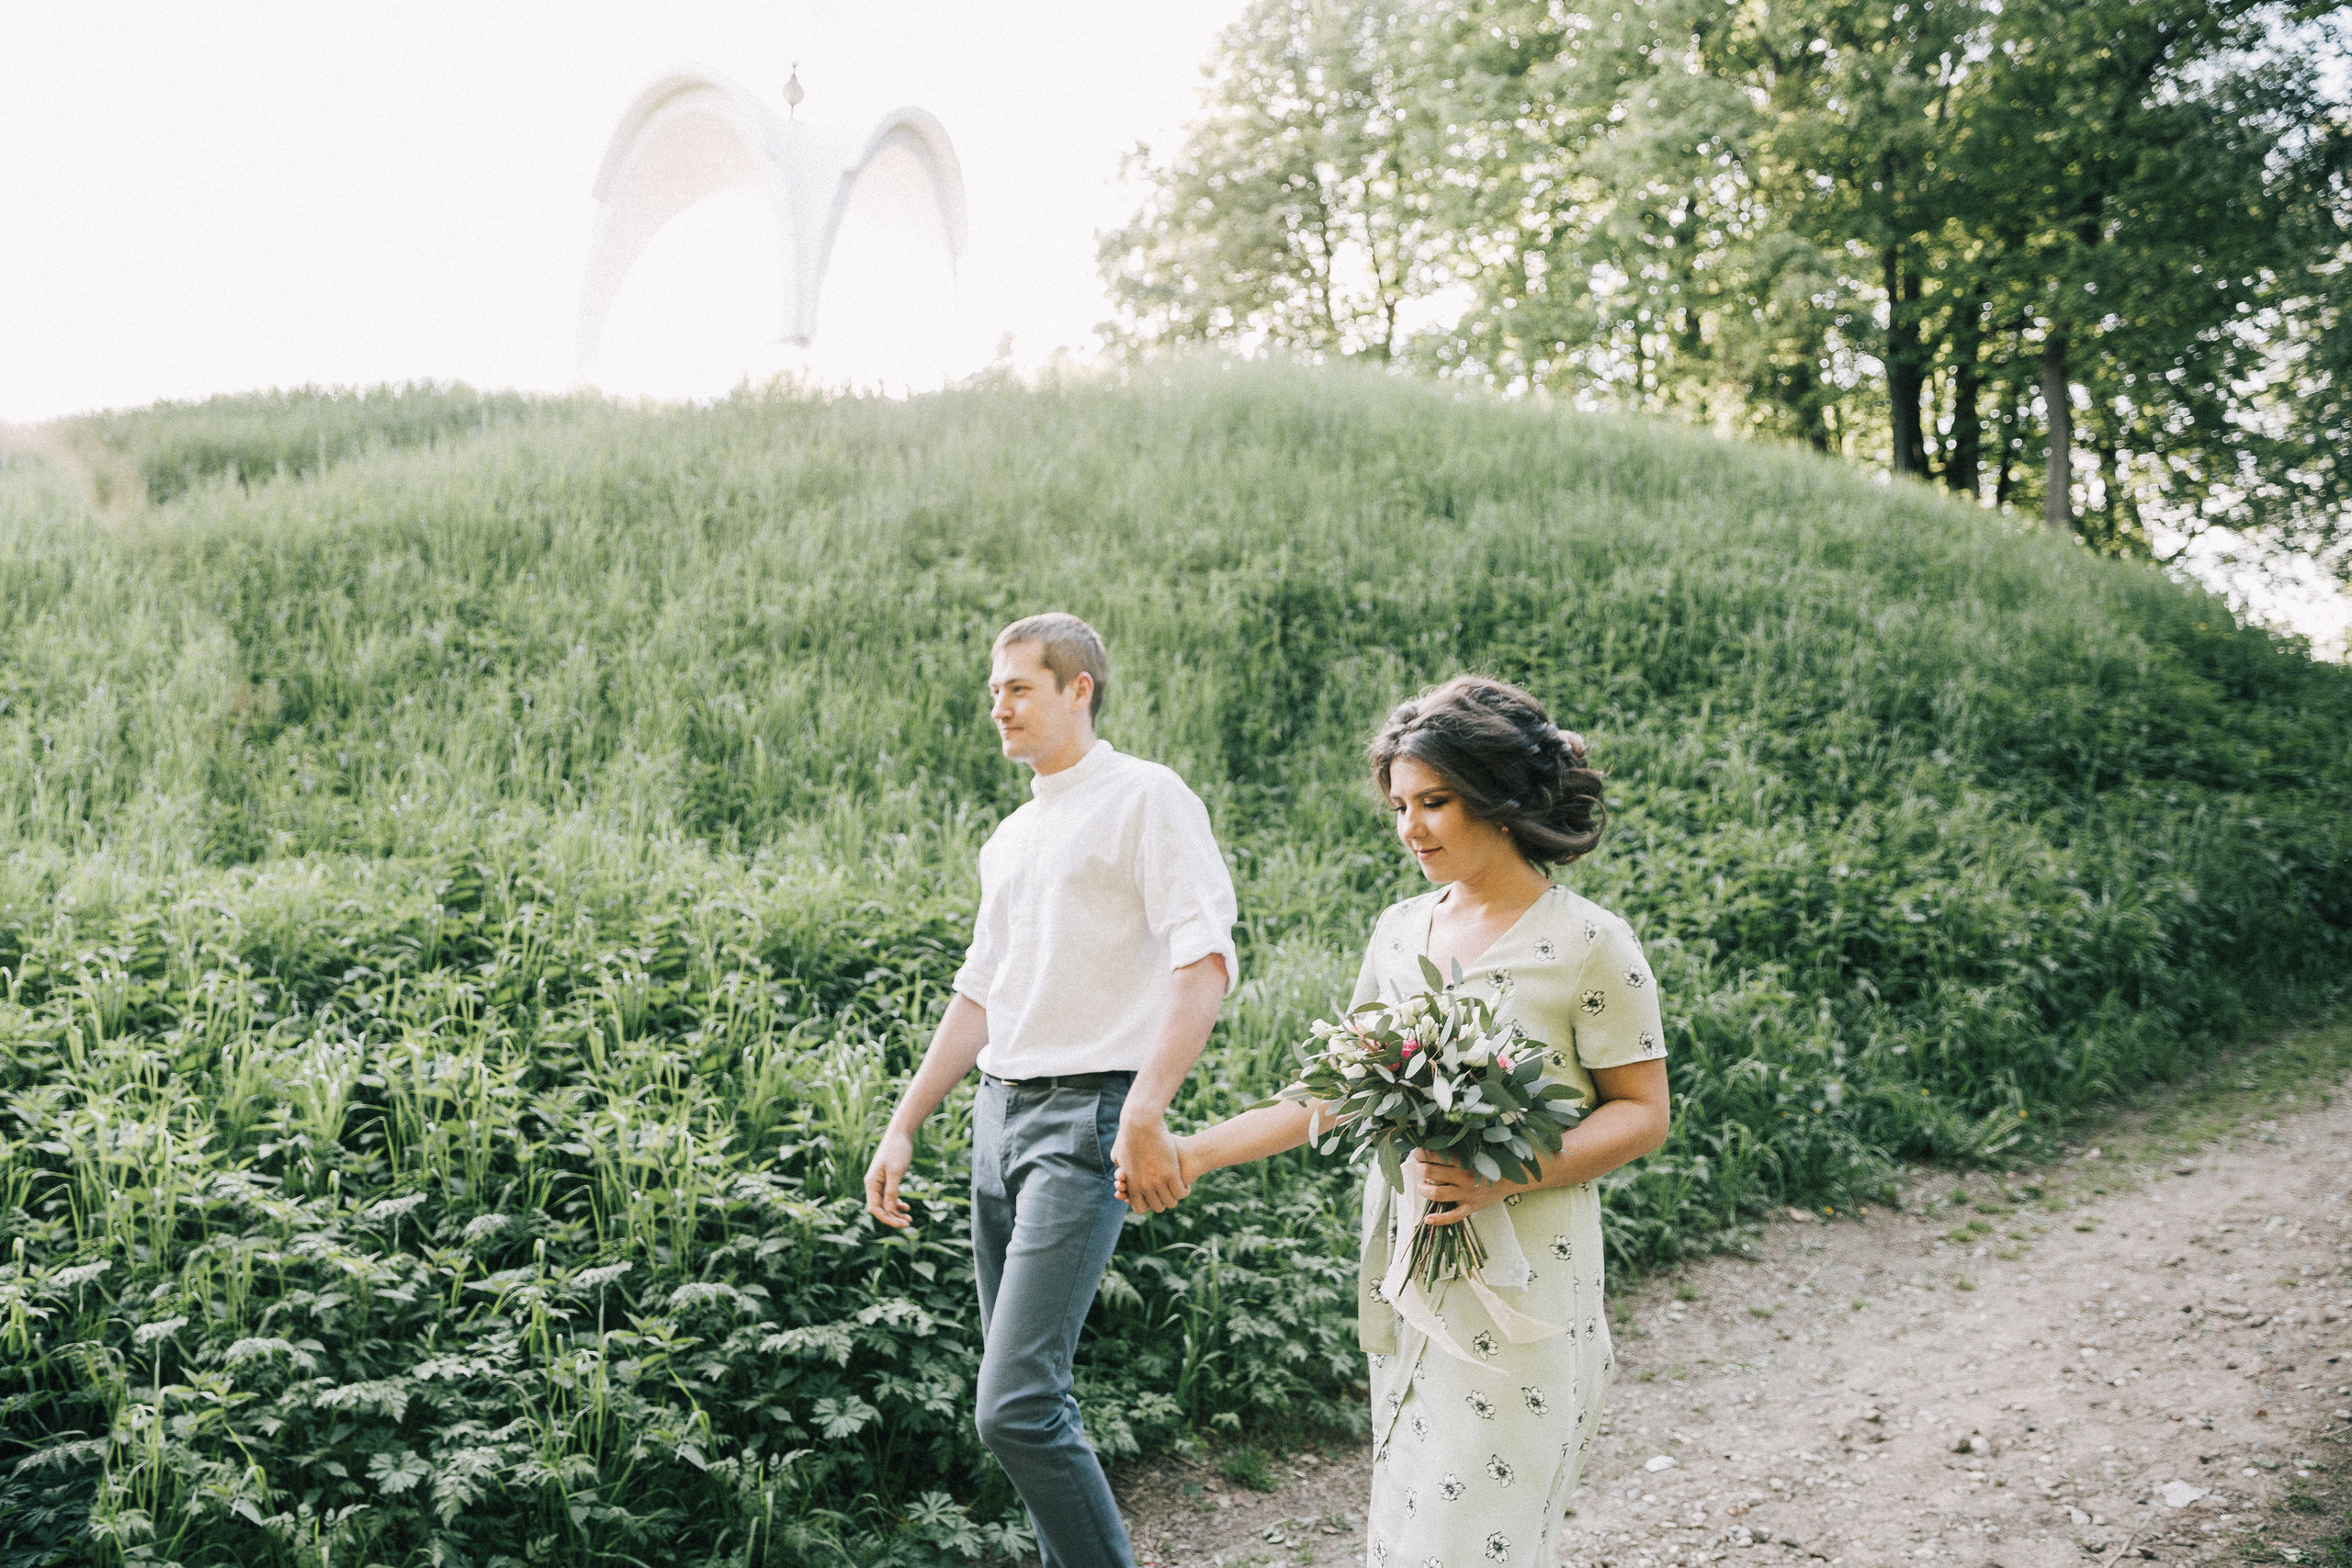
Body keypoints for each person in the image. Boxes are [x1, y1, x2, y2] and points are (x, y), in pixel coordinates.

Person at [1134, 674, 1670, 1568]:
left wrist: (1511, 1172)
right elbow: (1333, 1093)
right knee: (1413, 1537)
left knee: (1481, 1548)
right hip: (1414, 1284)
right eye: (1398, 805)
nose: (1409, 827)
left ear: (1496, 798)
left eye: (1434, 802)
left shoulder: (1589, 943)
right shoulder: (1397, 933)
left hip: (1529, 1299)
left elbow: (1644, 1114)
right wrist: (1191, 1153)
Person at [862, 612, 1237, 1568]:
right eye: (993, 691)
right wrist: (905, 1124)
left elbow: (1204, 960)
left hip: (1087, 1116)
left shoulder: (1146, 798)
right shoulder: (1013, 835)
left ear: (1080, 689)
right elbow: (981, 991)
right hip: (999, 1117)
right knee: (1026, 1400)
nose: (999, 707)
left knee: (1016, 1407)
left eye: (1019, 688)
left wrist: (1144, 1109)